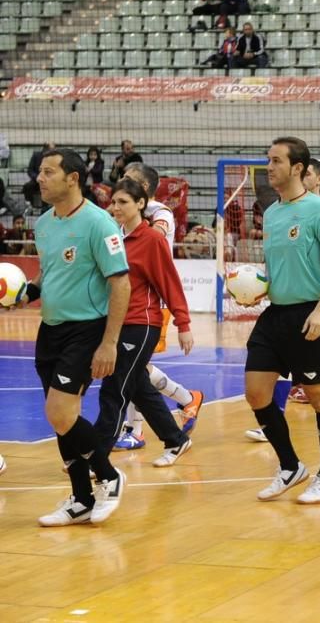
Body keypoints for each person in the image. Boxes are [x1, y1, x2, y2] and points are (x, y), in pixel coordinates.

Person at [13, 147, 130, 526]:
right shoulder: (44, 224)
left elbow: (120, 283)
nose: (40, 179)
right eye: (40, 172)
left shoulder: (99, 224)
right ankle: (81, 499)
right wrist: (25, 294)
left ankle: (110, 476)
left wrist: (109, 342)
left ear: (73, 178)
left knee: (59, 412)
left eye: (48, 172)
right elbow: (47, 275)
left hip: (86, 330)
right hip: (51, 330)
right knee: (62, 419)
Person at [242, 137, 320, 504]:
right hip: (274, 316)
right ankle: (290, 466)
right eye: (268, 159)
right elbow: (277, 268)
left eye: (276, 161)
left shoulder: (319, 211)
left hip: (309, 314)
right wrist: (259, 289)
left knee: (319, 396)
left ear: (298, 168)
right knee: (256, 393)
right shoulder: (271, 214)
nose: (269, 167)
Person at [94, 179, 195, 467]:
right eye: (113, 202)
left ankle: (97, 457)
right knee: (137, 386)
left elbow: (169, 283)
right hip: (115, 323)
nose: (116, 207)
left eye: (123, 202)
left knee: (115, 389)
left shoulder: (152, 239)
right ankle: (176, 439)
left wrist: (184, 324)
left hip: (142, 324)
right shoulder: (113, 239)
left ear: (141, 204)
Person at [113, 162, 204, 451]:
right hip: (124, 300)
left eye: (130, 179)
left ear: (145, 190)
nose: (123, 182)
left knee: (133, 367)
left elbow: (154, 245)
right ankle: (187, 399)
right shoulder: (119, 212)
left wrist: (184, 322)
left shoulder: (160, 214)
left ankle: (136, 430)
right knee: (136, 368)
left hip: (152, 302)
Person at [23, 141, 56, 210]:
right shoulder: (36, 155)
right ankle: (30, 205)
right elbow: (30, 170)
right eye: (52, 149)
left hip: (48, 181)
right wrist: (37, 177)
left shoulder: (54, 158)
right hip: (36, 180)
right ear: (45, 149)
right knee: (27, 186)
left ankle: (46, 207)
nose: (54, 151)